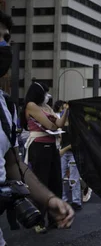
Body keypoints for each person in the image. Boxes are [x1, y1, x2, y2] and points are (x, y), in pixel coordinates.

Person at [0, 9, 74, 246]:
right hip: (41, 147)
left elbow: (13, 164)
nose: (3, 46)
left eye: (6, 40)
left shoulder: (4, 105)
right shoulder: (30, 108)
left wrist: (50, 199)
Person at [21, 82, 69, 234]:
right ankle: (39, 221)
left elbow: (60, 123)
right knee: (42, 183)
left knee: (56, 183)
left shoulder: (46, 107)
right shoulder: (31, 105)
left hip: (52, 146)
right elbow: (51, 126)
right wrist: (56, 125)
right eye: (45, 93)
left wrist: (67, 111)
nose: (48, 96)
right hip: (39, 147)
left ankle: (55, 219)